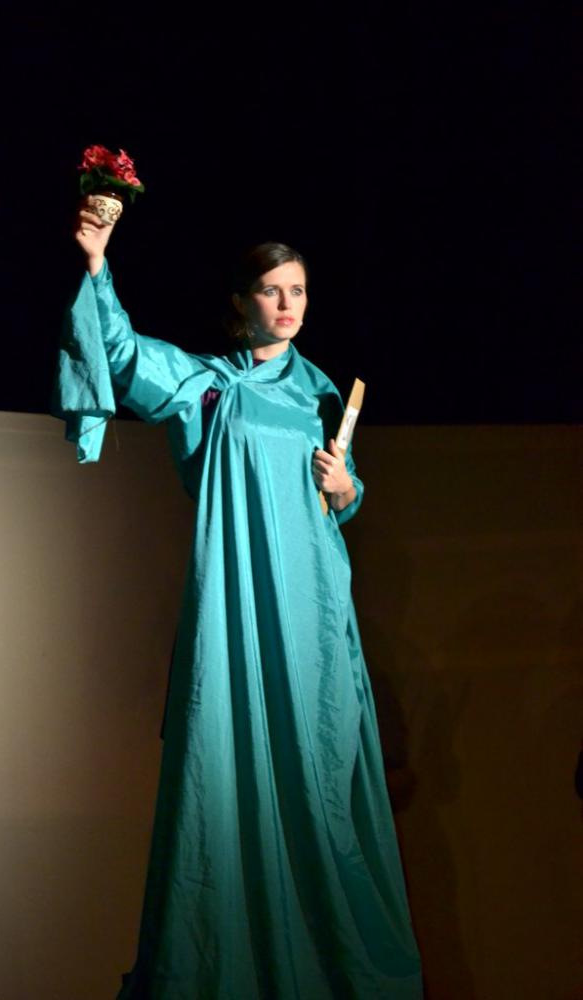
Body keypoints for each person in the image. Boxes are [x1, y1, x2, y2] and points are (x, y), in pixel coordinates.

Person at [54, 202, 423, 999]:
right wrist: (97, 263)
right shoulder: (208, 386)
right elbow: (121, 354)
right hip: (236, 602)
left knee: (319, 776)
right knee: (221, 772)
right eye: (270, 289)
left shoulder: (322, 394)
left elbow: (338, 503)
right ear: (239, 302)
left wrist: (345, 485)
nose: (287, 303)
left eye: (298, 290)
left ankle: (329, 970)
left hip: (312, 609)